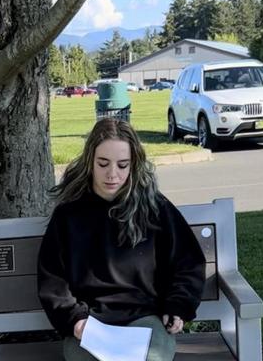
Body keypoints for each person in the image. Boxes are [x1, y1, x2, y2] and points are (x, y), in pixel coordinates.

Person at [37, 118, 205, 361]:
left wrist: (178, 306)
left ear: (133, 165)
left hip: (145, 319)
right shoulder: (68, 215)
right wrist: (73, 319)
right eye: (103, 164)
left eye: (122, 165)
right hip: (90, 324)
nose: (112, 174)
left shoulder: (155, 208)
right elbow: (52, 278)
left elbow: (188, 263)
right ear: (90, 162)